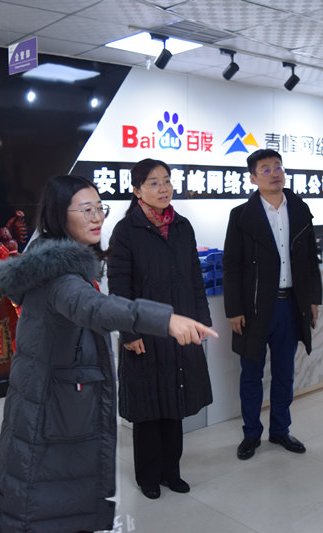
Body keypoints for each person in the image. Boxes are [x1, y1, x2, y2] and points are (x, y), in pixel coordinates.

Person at [0, 175, 216, 533]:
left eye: (99, 208)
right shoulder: (61, 276)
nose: (97, 218)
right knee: (42, 495)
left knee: (43, 490)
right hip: (53, 404)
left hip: (47, 394)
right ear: (59, 215)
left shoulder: (52, 259)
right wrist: (165, 320)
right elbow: (95, 307)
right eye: (86, 210)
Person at [107, 158, 213, 499]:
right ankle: (148, 476)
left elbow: (195, 277)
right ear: (137, 191)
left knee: (175, 401)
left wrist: (201, 321)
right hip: (146, 331)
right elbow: (119, 287)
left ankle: (172, 471)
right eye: (153, 183)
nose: (163, 188)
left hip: (180, 329)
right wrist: (129, 333)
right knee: (148, 407)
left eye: (166, 180)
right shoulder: (126, 231)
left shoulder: (182, 226)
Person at [223, 148, 322, 460]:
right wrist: (234, 309)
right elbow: (231, 266)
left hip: (290, 305)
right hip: (254, 308)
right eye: (265, 169)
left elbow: (311, 260)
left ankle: (280, 430)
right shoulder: (241, 216)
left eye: (278, 166)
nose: (274, 173)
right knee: (251, 374)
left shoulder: (300, 209)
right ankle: (251, 433)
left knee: (284, 373)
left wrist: (313, 299)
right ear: (253, 178)